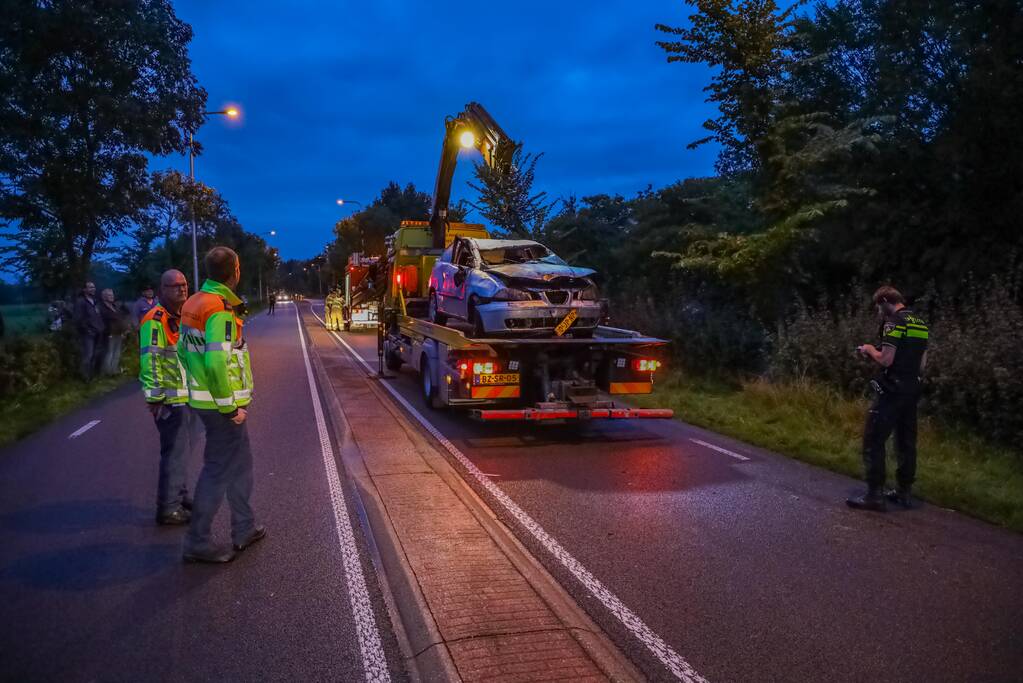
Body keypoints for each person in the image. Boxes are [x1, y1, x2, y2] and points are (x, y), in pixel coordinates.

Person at [178, 246, 265, 563]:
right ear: (236, 270)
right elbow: (216, 363)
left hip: (203, 399)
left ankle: (245, 527)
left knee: (241, 464)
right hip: (220, 406)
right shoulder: (219, 309)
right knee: (217, 470)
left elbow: (184, 352)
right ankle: (196, 541)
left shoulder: (193, 303)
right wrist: (229, 407)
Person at [848, 286, 929, 512]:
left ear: (884, 301)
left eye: (878, 306)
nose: (878, 312)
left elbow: (886, 359)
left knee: (873, 440)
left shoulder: (894, 322)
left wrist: (869, 349)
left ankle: (874, 495)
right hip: (913, 389)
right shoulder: (921, 324)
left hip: (892, 390)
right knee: (906, 441)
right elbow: (922, 364)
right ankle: (904, 492)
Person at [139, 270, 194, 525]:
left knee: (181, 451)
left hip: (185, 397)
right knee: (173, 452)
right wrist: (154, 398)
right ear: (162, 289)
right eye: (175, 286)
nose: (182, 290)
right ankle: (168, 508)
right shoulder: (155, 319)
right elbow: (150, 360)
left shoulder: (183, 315)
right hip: (169, 400)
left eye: (184, 285)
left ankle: (179, 495)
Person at [73, 282, 105, 380]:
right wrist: (87, 330)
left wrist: (101, 327)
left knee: (95, 355)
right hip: (88, 334)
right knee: (88, 355)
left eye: (94, 287)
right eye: (90, 287)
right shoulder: (81, 302)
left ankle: (91, 376)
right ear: (84, 290)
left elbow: (98, 316)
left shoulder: (95, 301)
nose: (93, 289)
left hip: (97, 332)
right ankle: (85, 377)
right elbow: (78, 319)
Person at [99, 288, 130, 375]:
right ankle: (107, 372)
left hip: (119, 333)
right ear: (104, 297)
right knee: (109, 353)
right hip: (109, 334)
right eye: (109, 295)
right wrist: (107, 332)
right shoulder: (102, 308)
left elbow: (120, 318)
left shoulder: (115, 306)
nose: (112, 297)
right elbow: (102, 322)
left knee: (117, 353)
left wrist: (124, 330)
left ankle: (113, 370)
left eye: (112, 295)